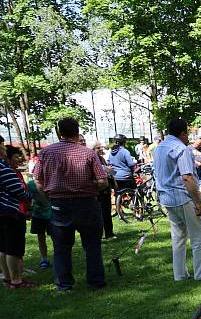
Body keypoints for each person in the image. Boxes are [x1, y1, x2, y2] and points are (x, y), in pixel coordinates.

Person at [33, 117, 108, 291]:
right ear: (77, 131)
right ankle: (96, 281)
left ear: (59, 132)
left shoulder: (46, 153)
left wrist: (48, 199)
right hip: (87, 203)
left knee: (61, 246)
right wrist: (91, 185)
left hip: (59, 204)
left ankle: (64, 283)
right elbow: (103, 181)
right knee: (92, 244)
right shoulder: (88, 153)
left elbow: (38, 182)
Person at [152, 118, 201, 281]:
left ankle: (179, 275)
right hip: (183, 197)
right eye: (188, 133)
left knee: (178, 238)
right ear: (183, 133)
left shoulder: (159, 148)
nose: (189, 137)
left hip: (166, 198)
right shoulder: (181, 149)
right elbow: (187, 177)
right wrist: (198, 202)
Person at [1, 144, 36, 288]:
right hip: (10, 212)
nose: (3, 150)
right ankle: (16, 280)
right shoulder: (4, 169)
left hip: (4, 211)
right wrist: (29, 196)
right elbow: (18, 191)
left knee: (3, 246)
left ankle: (8, 277)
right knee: (13, 247)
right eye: (2, 147)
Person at [108, 134, 137, 221]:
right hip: (126, 176)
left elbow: (109, 164)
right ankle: (137, 211)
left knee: (118, 194)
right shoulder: (125, 151)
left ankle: (119, 212)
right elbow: (131, 164)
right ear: (124, 142)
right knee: (135, 192)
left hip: (115, 177)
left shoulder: (111, 152)